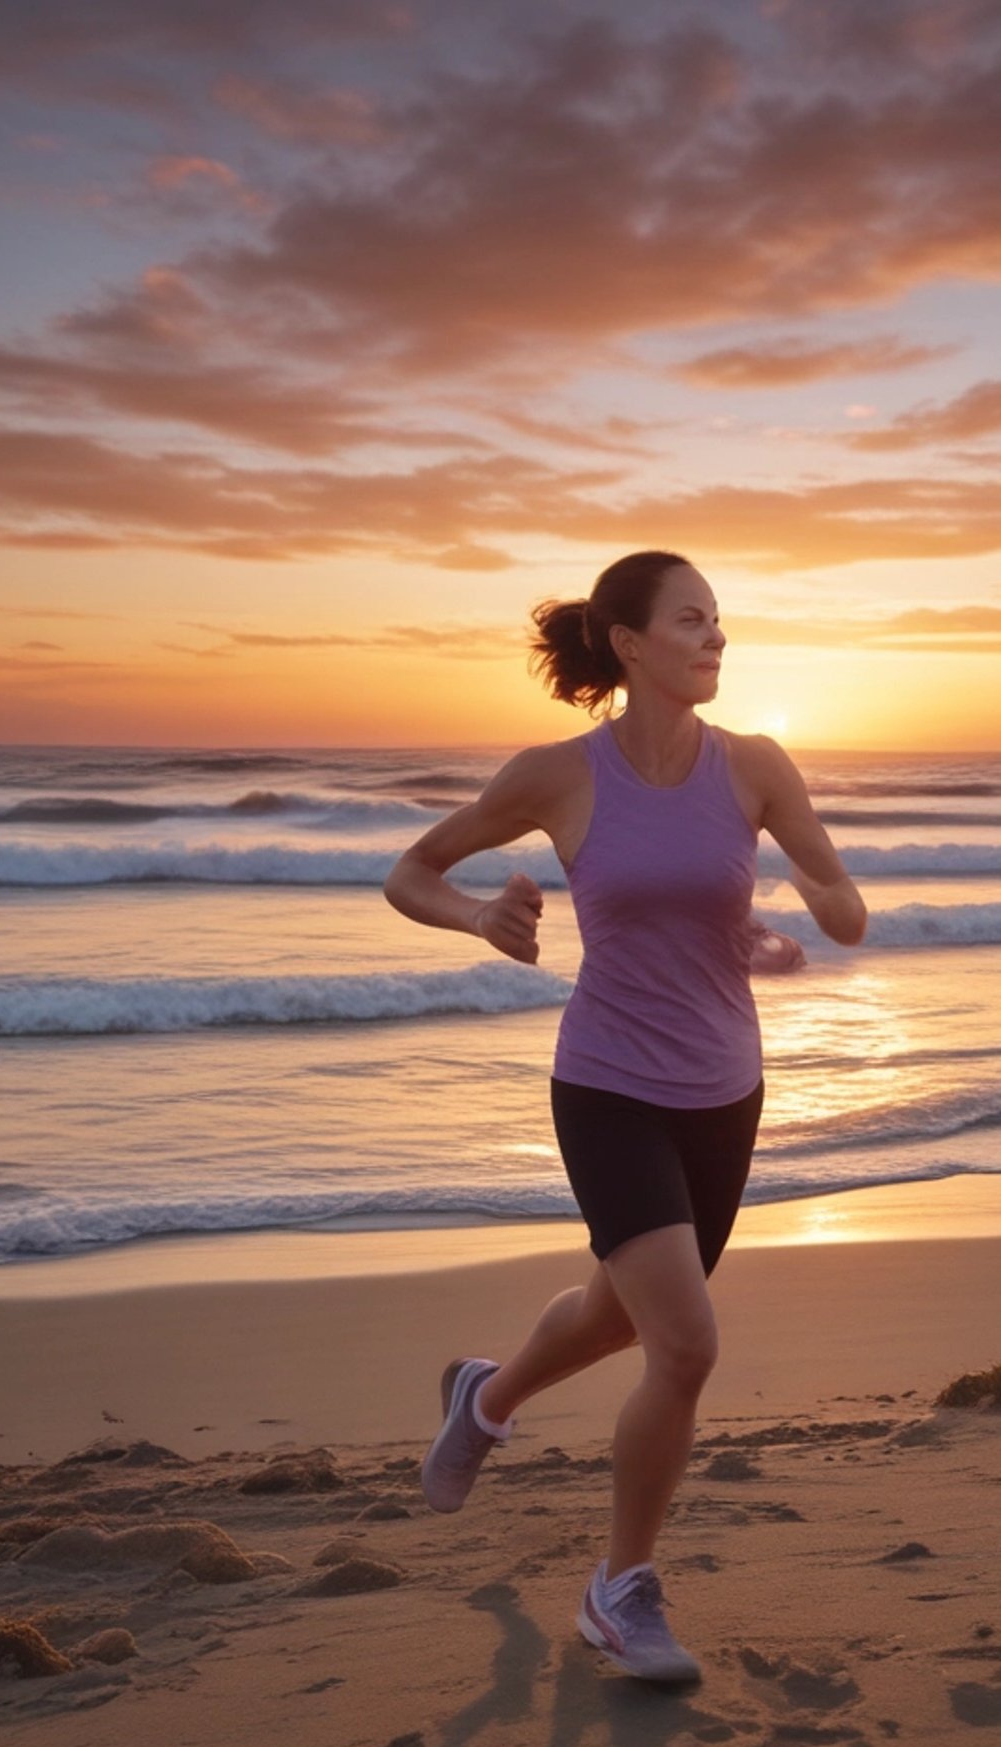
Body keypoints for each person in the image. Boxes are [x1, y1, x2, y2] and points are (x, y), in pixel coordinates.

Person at [382, 549, 866, 1686]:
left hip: (724, 1093)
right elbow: (413, 870)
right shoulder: (557, 776)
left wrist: (798, 908)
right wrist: (474, 920)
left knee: (618, 1319)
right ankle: (621, 1593)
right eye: (693, 622)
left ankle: (484, 1397)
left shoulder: (755, 768)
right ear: (631, 644)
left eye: (721, 624)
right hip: (606, 1086)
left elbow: (846, 908)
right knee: (685, 1343)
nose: (716, 641)